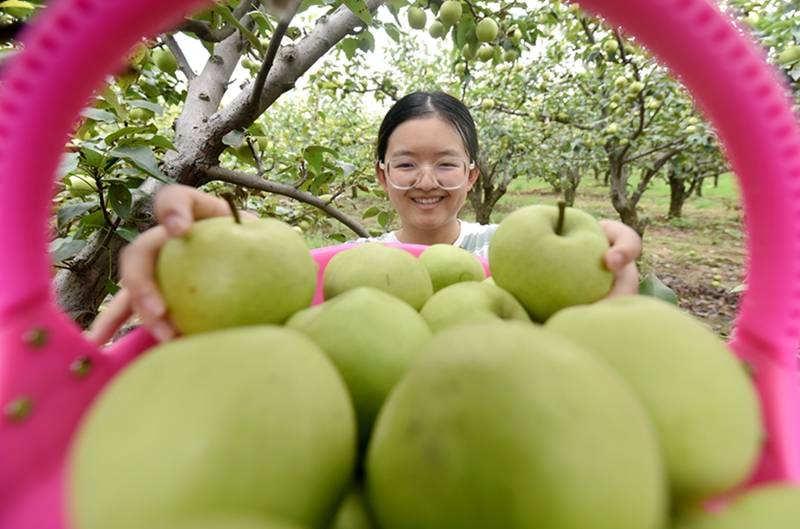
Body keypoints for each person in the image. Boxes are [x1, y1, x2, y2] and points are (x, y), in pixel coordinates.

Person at [87, 91, 641, 345]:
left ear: (472, 177)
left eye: (446, 165)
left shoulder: (509, 253)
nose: (426, 181)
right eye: (406, 165)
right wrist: (205, 263)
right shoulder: (354, 271)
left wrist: (601, 262)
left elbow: (591, 316)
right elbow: (270, 312)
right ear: (381, 177)